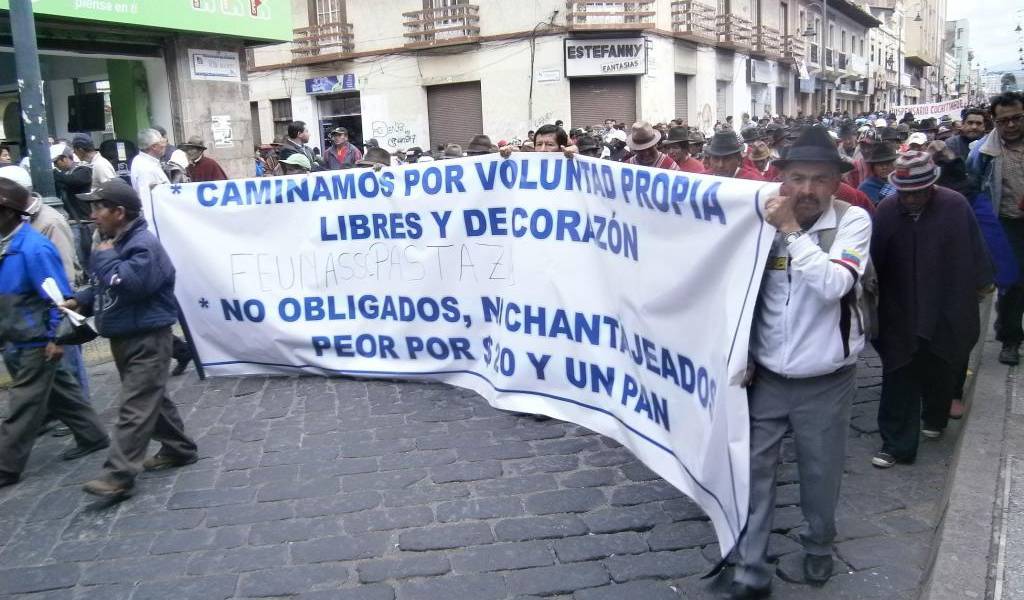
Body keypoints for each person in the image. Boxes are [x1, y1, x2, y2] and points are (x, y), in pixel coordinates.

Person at [733, 126, 872, 599]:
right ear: (782, 178)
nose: (807, 189)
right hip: (766, 377)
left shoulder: (852, 221)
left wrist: (791, 231)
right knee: (753, 472)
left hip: (826, 380)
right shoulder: (760, 217)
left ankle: (818, 545)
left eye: (819, 179)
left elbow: (835, 285)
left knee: (819, 472)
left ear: (837, 182)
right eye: (797, 178)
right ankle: (751, 562)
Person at [67, 179, 198, 497]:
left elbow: (131, 284)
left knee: (136, 405)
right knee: (151, 398)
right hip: (125, 334)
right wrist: (82, 300)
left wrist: (104, 258)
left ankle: (119, 475)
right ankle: (179, 448)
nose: (92, 215)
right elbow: (105, 285)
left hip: (147, 338)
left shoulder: (141, 245)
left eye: (98, 208)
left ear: (119, 212)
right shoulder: (113, 242)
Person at [870, 152, 994, 468]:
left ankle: (936, 416)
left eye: (918, 192)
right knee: (899, 369)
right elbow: (874, 261)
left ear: (932, 186)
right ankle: (896, 444)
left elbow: (973, 247)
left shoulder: (954, 205)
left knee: (941, 361)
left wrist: (982, 284)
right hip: (899, 306)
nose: (911, 199)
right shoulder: (886, 210)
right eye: (905, 193)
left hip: (945, 301)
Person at [0, 179, 109, 489]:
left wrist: (54, 338)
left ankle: (6, 466)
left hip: (35, 340)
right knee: (62, 393)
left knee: (22, 404)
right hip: (17, 335)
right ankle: (93, 435)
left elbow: (58, 298)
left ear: (8, 212)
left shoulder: (34, 248)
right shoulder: (9, 245)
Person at [968, 92, 1024, 365]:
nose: (1011, 125)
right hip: (1004, 224)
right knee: (1012, 282)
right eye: (1004, 121)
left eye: (1017, 118)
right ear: (994, 121)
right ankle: (1010, 338)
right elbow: (972, 185)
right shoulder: (982, 152)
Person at [129, 128, 170, 208]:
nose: (165, 145)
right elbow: (146, 200)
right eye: (161, 142)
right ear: (154, 146)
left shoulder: (142, 160)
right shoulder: (145, 167)